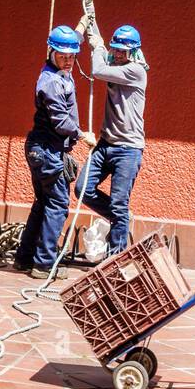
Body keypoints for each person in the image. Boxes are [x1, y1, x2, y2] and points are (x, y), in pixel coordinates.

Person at [13, 26, 96, 280]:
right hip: (47, 151)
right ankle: (44, 265)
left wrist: (82, 23)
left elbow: (72, 39)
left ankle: (24, 258)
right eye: (63, 55)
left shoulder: (60, 68)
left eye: (72, 56)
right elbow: (61, 121)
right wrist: (83, 135)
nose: (69, 60)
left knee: (43, 204)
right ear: (51, 52)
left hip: (43, 150)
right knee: (58, 205)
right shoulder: (50, 82)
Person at [74, 17, 147, 256]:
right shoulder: (115, 62)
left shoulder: (135, 71)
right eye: (115, 49)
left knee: (118, 203)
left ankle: (116, 257)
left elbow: (97, 68)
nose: (117, 54)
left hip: (128, 149)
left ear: (133, 52)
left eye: (123, 51)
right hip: (105, 144)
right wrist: (91, 12)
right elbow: (99, 42)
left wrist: (98, 47)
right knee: (83, 188)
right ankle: (121, 218)